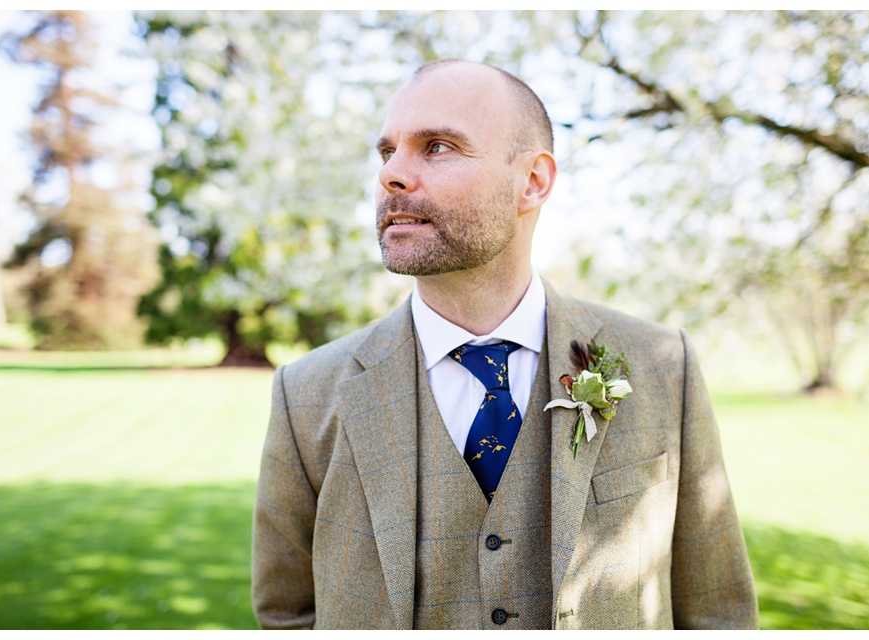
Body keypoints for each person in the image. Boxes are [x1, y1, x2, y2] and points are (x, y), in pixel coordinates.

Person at [252, 59, 758, 630]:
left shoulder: (665, 367)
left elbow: (719, 611)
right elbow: (286, 617)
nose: (392, 175)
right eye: (387, 152)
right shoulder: (307, 394)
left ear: (533, 181)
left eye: (437, 147)